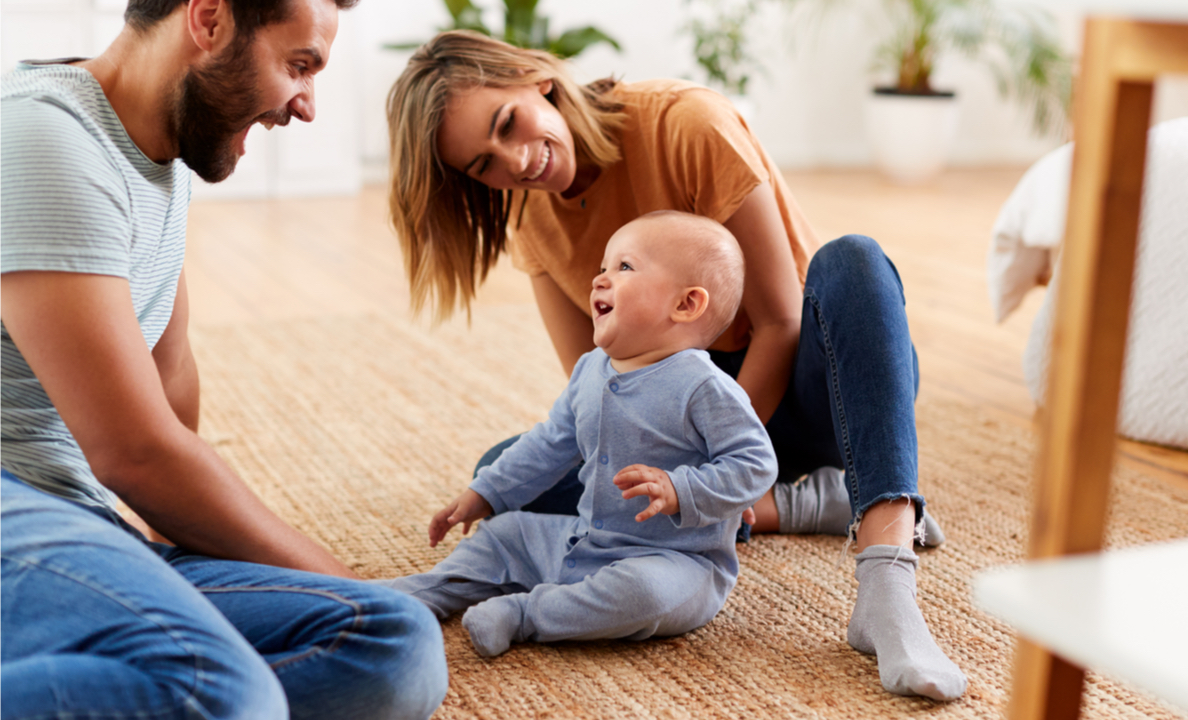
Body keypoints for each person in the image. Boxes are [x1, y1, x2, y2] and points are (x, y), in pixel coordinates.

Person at [385, 29, 967, 702]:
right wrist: (682, 481)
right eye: (483, 165)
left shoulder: (685, 122)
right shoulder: (530, 216)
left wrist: (712, 466)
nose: (515, 163)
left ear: (534, 79)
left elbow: (780, 320)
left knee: (856, 259)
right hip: (689, 441)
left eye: (507, 124)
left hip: (817, 388)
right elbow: (596, 386)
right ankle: (808, 502)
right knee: (506, 470)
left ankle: (885, 579)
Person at [0, 1, 448, 717]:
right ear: (208, 21)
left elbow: (169, 378)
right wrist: (341, 576)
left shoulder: (153, 155)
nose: (305, 105)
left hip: (80, 530)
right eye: (299, 65)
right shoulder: (43, 137)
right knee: (216, 692)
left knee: (391, 640)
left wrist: (183, 550)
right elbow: (136, 453)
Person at [378, 211, 777, 658]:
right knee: (505, 533)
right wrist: (486, 491)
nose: (599, 280)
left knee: (643, 596)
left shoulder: (703, 386)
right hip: (583, 538)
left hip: (677, 561)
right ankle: (427, 591)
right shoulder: (591, 369)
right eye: (603, 267)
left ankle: (527, 614)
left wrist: (681, 488)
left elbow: (755, 463)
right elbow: (550, 443)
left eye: (623, 267)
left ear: (685, 305)